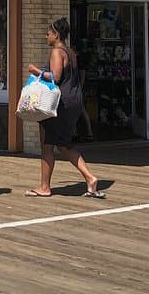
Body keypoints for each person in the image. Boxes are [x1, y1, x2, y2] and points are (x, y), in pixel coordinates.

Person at [25, 17, 104, 196]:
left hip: (59, 103)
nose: (46, 36)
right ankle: (90, 178)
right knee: (63, 144)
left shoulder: (57, 52)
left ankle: (45, 187)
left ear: (56, 34)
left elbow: (56, 76)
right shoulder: (70, 52)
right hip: (73, 100)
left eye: (48, 33)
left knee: (47, 145)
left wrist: (35, 70)